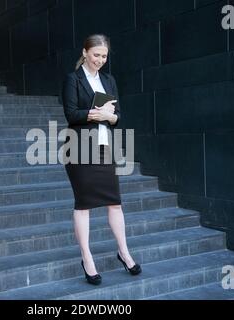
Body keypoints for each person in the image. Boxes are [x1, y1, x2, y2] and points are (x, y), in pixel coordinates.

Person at [61, 34, 141, 285]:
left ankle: (124, 252)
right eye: (96, 55)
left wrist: (109, 116)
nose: (100, 60)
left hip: (106, 147)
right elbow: (71, 114)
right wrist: (97, 114)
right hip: (80, 148)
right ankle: (87, 258)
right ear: (85, 52)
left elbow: (119, 117)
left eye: (104, 56)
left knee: (114, 203)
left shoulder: (109, 79)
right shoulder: (72, 79)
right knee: (83, 204)